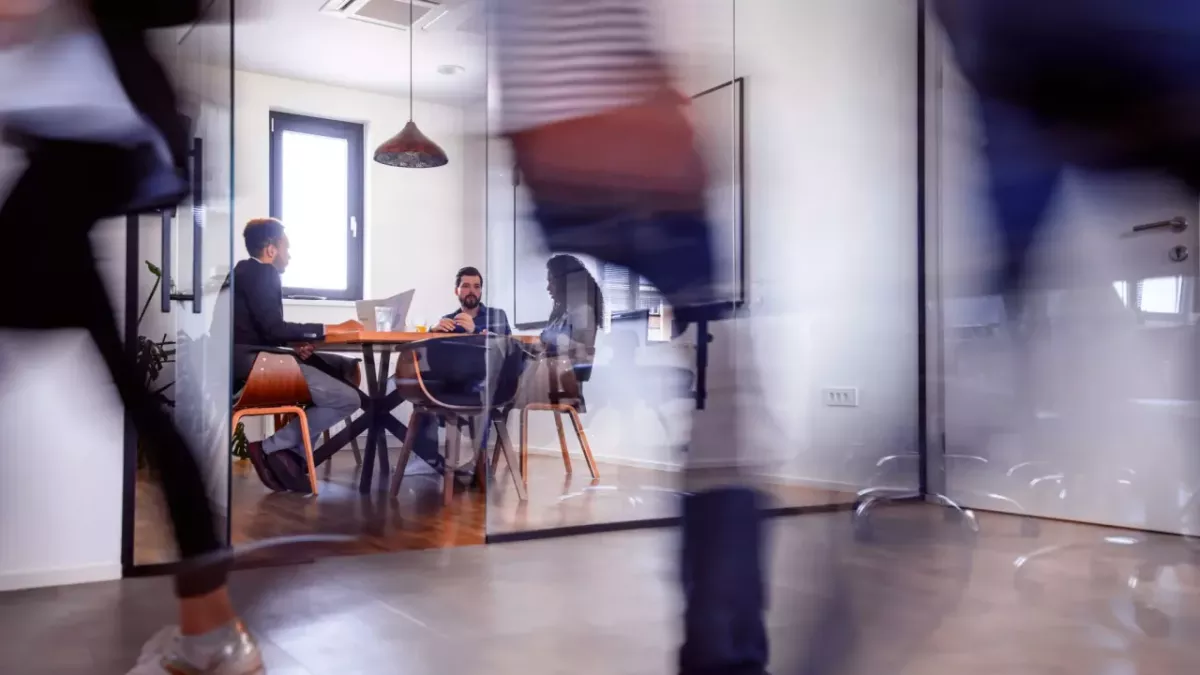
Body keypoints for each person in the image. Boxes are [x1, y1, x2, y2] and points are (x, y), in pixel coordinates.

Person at [493, 2, 769, 673]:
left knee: (718, 407)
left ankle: (718, 646)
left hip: (556, 169)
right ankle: (723, 654)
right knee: (725, 413)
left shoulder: (569, 282)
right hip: (641, 157)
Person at [0, 1, 265, 673]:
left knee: (133, 393)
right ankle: (210, 631)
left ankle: (212, 634)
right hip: (72, 154)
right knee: (135, 394)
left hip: (86, 149)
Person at [234, 217, 363, 494]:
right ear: (271, 249)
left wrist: (291, 344)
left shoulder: (241, 272)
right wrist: (331, 327)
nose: (289, 255)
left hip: (243, 360)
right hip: (257, 366)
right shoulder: (262, 273)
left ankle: (293, 458)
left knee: (342, 367)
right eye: (286, 248)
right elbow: (272, 327)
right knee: (349, 397)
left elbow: (259, 329)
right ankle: (270, 448)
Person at [512, 255, 604, 409]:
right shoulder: (561, 312)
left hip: (561, 381)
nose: (548, 288)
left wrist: (551, 343)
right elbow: (546, 341)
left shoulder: (583, 312)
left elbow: (581, 354)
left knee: (508, 383)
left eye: (552, 282)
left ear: (564, 282)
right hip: (550, 373)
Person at [432, 266, 512, 335]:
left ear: (481, 290)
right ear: (456, 291)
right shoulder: (448, 321)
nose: (472, 291)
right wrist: (432, 329)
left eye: (476, 286)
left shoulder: (498, 315)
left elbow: (510, 348)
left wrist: (475, 330)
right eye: (466, 286)